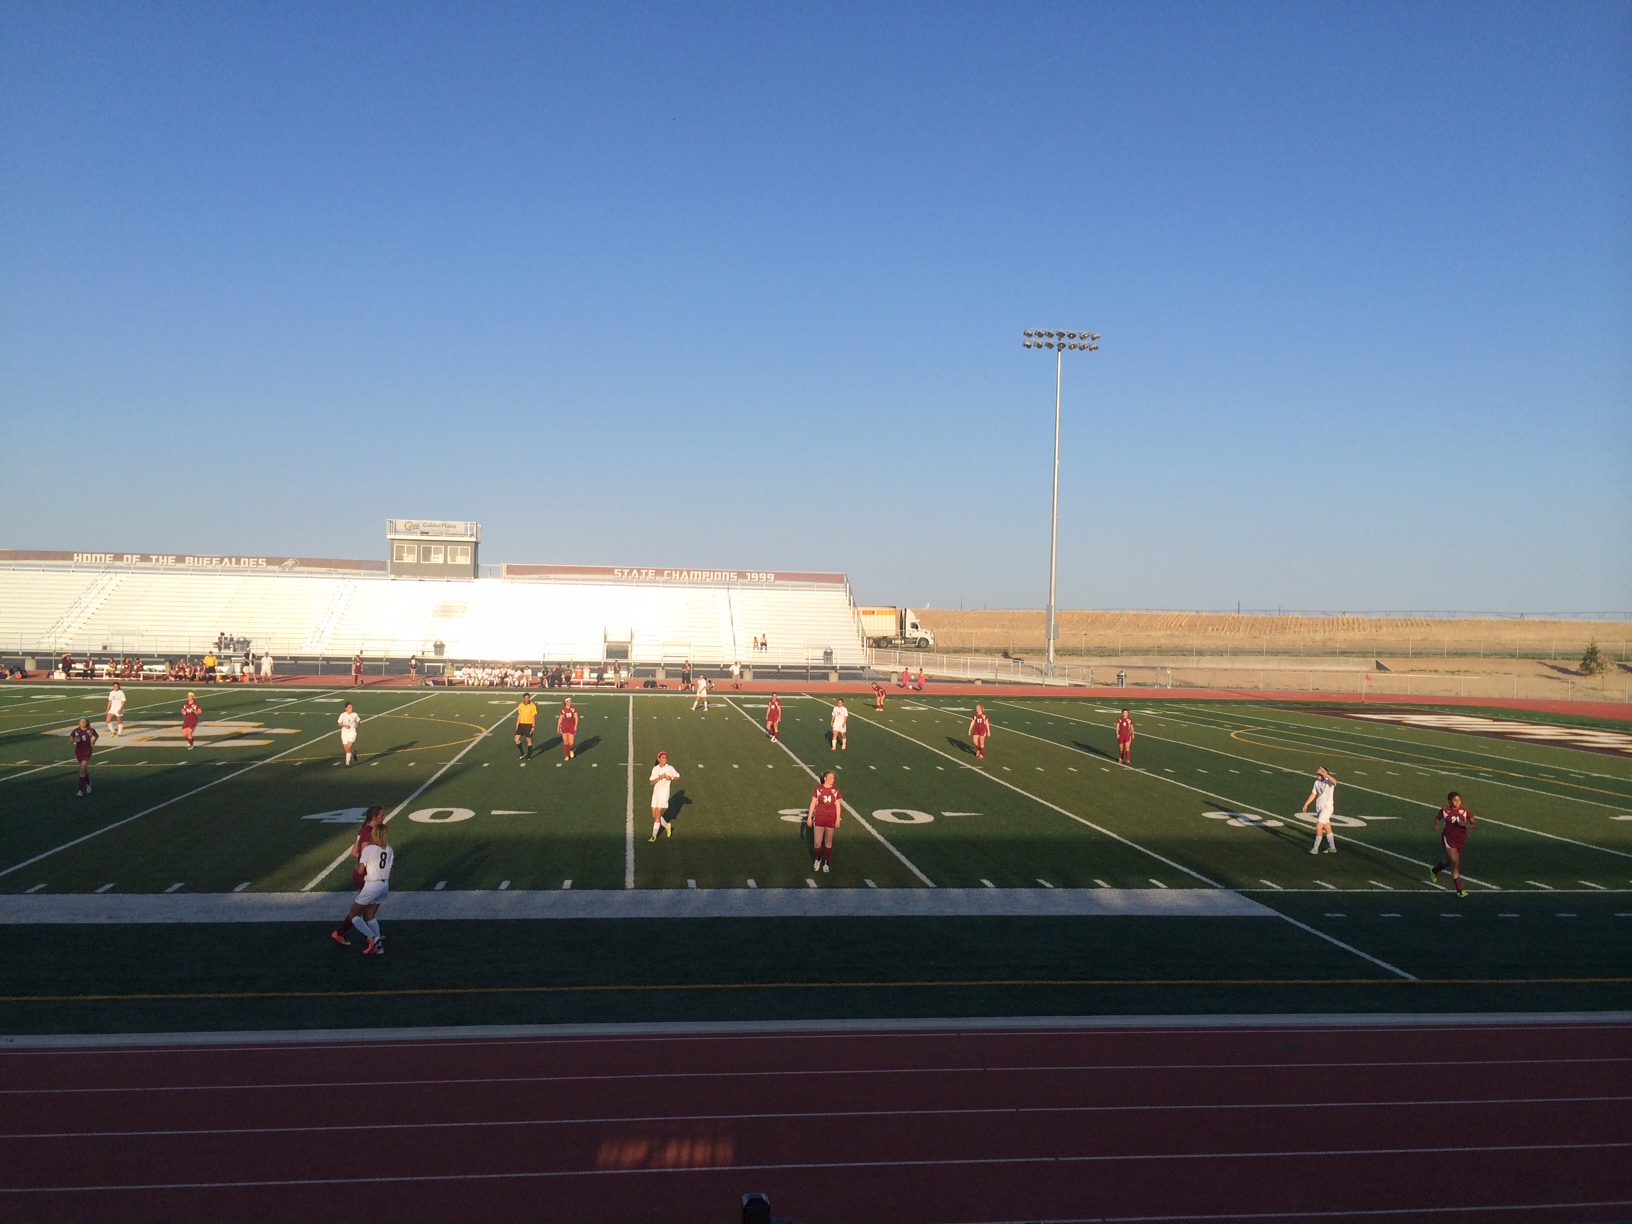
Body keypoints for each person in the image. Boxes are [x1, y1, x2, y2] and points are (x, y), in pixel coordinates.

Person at [332, 820, 394, 955]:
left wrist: (358, 868)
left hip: (372, 886)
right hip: (384, 885)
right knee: (370, 915)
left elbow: (361, 870)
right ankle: (379, 947)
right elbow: (391, 870)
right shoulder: (389, 849)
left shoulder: (369, 849)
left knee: (354, 915)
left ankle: (374, 939)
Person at [331, 805, 387, 929]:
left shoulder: (365, 830)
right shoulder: (369, 832)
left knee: (365, 907)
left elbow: (354, 852)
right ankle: (340, 933)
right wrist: (373, 862)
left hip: (362, 872)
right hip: (366, 874)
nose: (384, 817)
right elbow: (363, 852)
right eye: (382, 815)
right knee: (360, 909)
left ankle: (370, 935)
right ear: (374, 817)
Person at [1431, 791, 1478, 899]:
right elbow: (1437, 818)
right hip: (1448, 838)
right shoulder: (1445, 810)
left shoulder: (1465, 811)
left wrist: (1465, 824)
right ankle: (1460, 890)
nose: (1457, 802)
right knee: (1455, 862)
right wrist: (1436, 825)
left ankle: (1434, 870)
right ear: (1449, 801)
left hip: (1460, 839)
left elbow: (1475, 825)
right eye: (1455, 800)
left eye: (1459, 800)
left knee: (1449, 861)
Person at [807, 768, 842, 874]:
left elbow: (838, 806)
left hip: (831, 818)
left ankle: (826, 862)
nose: (833, 780)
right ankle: (818, 858)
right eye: (830, 778)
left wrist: (837, 819)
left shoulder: (836, 791)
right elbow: (813, 803)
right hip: (819, 817)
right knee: (817, 842)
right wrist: (809, 818)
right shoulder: (818, 789)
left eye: (833, 778)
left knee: (828, 842)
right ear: (825, 778)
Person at [1300, 767, 1338, 855]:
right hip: (1319, 807)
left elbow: (1335, 781)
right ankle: (1332, 848)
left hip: (1327, 807)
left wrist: (1325, 774)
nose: (1318, 774)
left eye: (1319, 773)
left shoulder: (1328, 782)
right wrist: (1306, 804)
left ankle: (1315, 848)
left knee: (1318, 826)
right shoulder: (1317, 782)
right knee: (1327, 827)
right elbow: (1313, 794)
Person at [648, 751, 680, 840]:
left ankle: (654, 836)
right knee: (655, 815)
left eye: (666, 758)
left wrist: (671, 778)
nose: (665, 760)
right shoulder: (655, 769)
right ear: (659, 759)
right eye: (663, 758)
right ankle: (667, 826)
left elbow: (678, 777)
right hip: (656, 793)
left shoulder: (670, 768)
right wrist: (660, 777)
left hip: (664, 793)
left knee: (658, 813)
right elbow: (651, 782)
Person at [69, 717, 98, 796]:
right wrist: (75, 740)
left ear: (87, 722)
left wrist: (93, 741)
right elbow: (70, 741)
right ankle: (88, 783)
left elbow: (96, 736)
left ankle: (80, 790)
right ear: (79, 723)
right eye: (81, 722)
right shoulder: (75, 731)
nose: (82, 723)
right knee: (83, 770)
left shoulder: (91, 730)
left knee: (82, 770)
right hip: (78, 751)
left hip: (87, 751)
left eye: (84, 722)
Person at [514, 692, 538, 761]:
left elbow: (533, 716)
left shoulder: (532, 705)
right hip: (521, 724)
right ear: (523, 698)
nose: (527, 699)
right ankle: (522, 753)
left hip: (528, 724)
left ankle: (529, 755)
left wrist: (533, 726)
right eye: (526, 698)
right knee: (516, 739)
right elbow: (519, 715)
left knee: (528, 741)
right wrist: (517, 724)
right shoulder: (520, 705)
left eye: (528, 698)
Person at [338, 701, 361, 766]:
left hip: (352, 733)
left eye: (352, 707)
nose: (351, 708)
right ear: (346, 708)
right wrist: (344, 725)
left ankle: (347, 763)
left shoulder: (355, 714)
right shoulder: (342, 715)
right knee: (346, 749)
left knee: (349, 747)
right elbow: (339, 723)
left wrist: (357, 724)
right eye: (350, 707)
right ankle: (353, 752)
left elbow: (358, 721)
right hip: (344, 733)